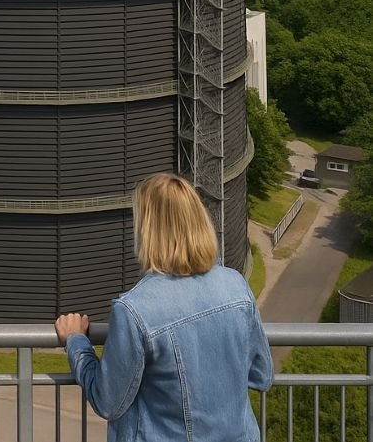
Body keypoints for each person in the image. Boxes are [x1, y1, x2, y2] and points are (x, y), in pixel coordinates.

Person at [56, 172, 273, 440]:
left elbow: (108, 400)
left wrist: (76, 342)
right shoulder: (236, 286)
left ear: (148, 231)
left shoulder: (135, 310)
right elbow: (261, 375)